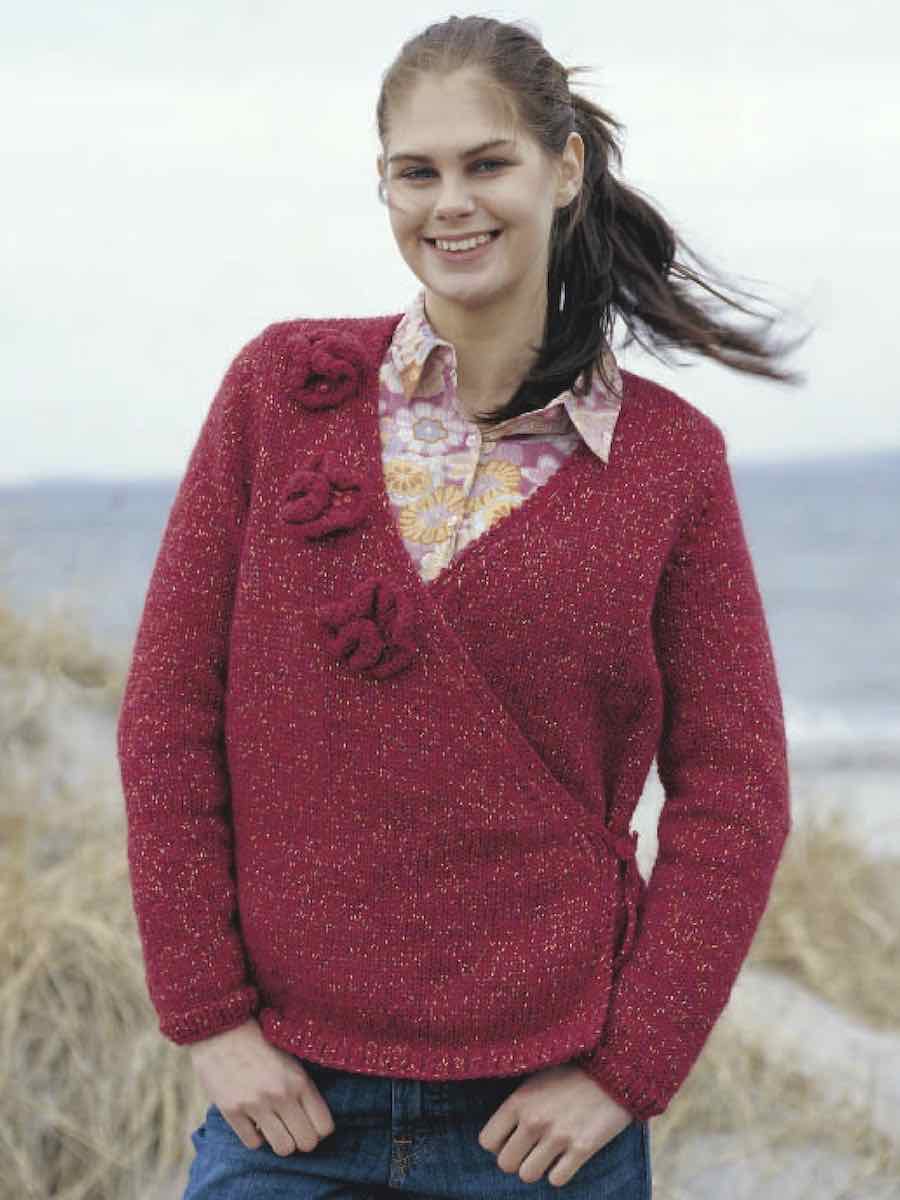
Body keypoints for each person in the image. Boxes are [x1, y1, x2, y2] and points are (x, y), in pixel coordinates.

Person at [117, 15, 810, 1199]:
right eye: (416, 171)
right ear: (383, 182)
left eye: (487, 163)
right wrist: (209, 1020)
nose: (451, 204)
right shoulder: (277, 392)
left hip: (542, 1131)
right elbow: (171, 713)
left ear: (564, 168)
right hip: (285, 1108)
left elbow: (736, 793)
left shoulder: (670, 463)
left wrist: (628, 1072)